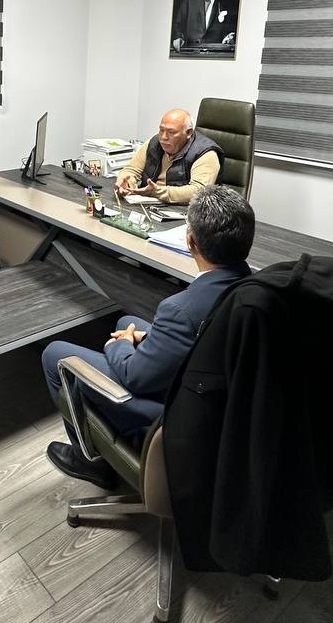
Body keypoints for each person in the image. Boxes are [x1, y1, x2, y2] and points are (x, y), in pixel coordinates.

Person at [41, 184, 254, 489]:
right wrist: (141, 336)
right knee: (127, 320)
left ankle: (89, 461)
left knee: (55, 353)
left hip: (179, 418)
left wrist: (121, 344)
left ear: (190, 242)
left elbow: (135, 377)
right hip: (218, 395)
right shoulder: (255, 290)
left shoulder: (181, 309)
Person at [115, 108, 223, 205]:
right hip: (148, 204)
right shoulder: (154, 143)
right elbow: (131, 169)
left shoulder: (206, 153)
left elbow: (198, 192)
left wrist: (158, 192)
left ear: (189, 133)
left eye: (171, 132)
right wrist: (126, 183)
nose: (163, 137)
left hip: (183, 211)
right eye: (161, 130)